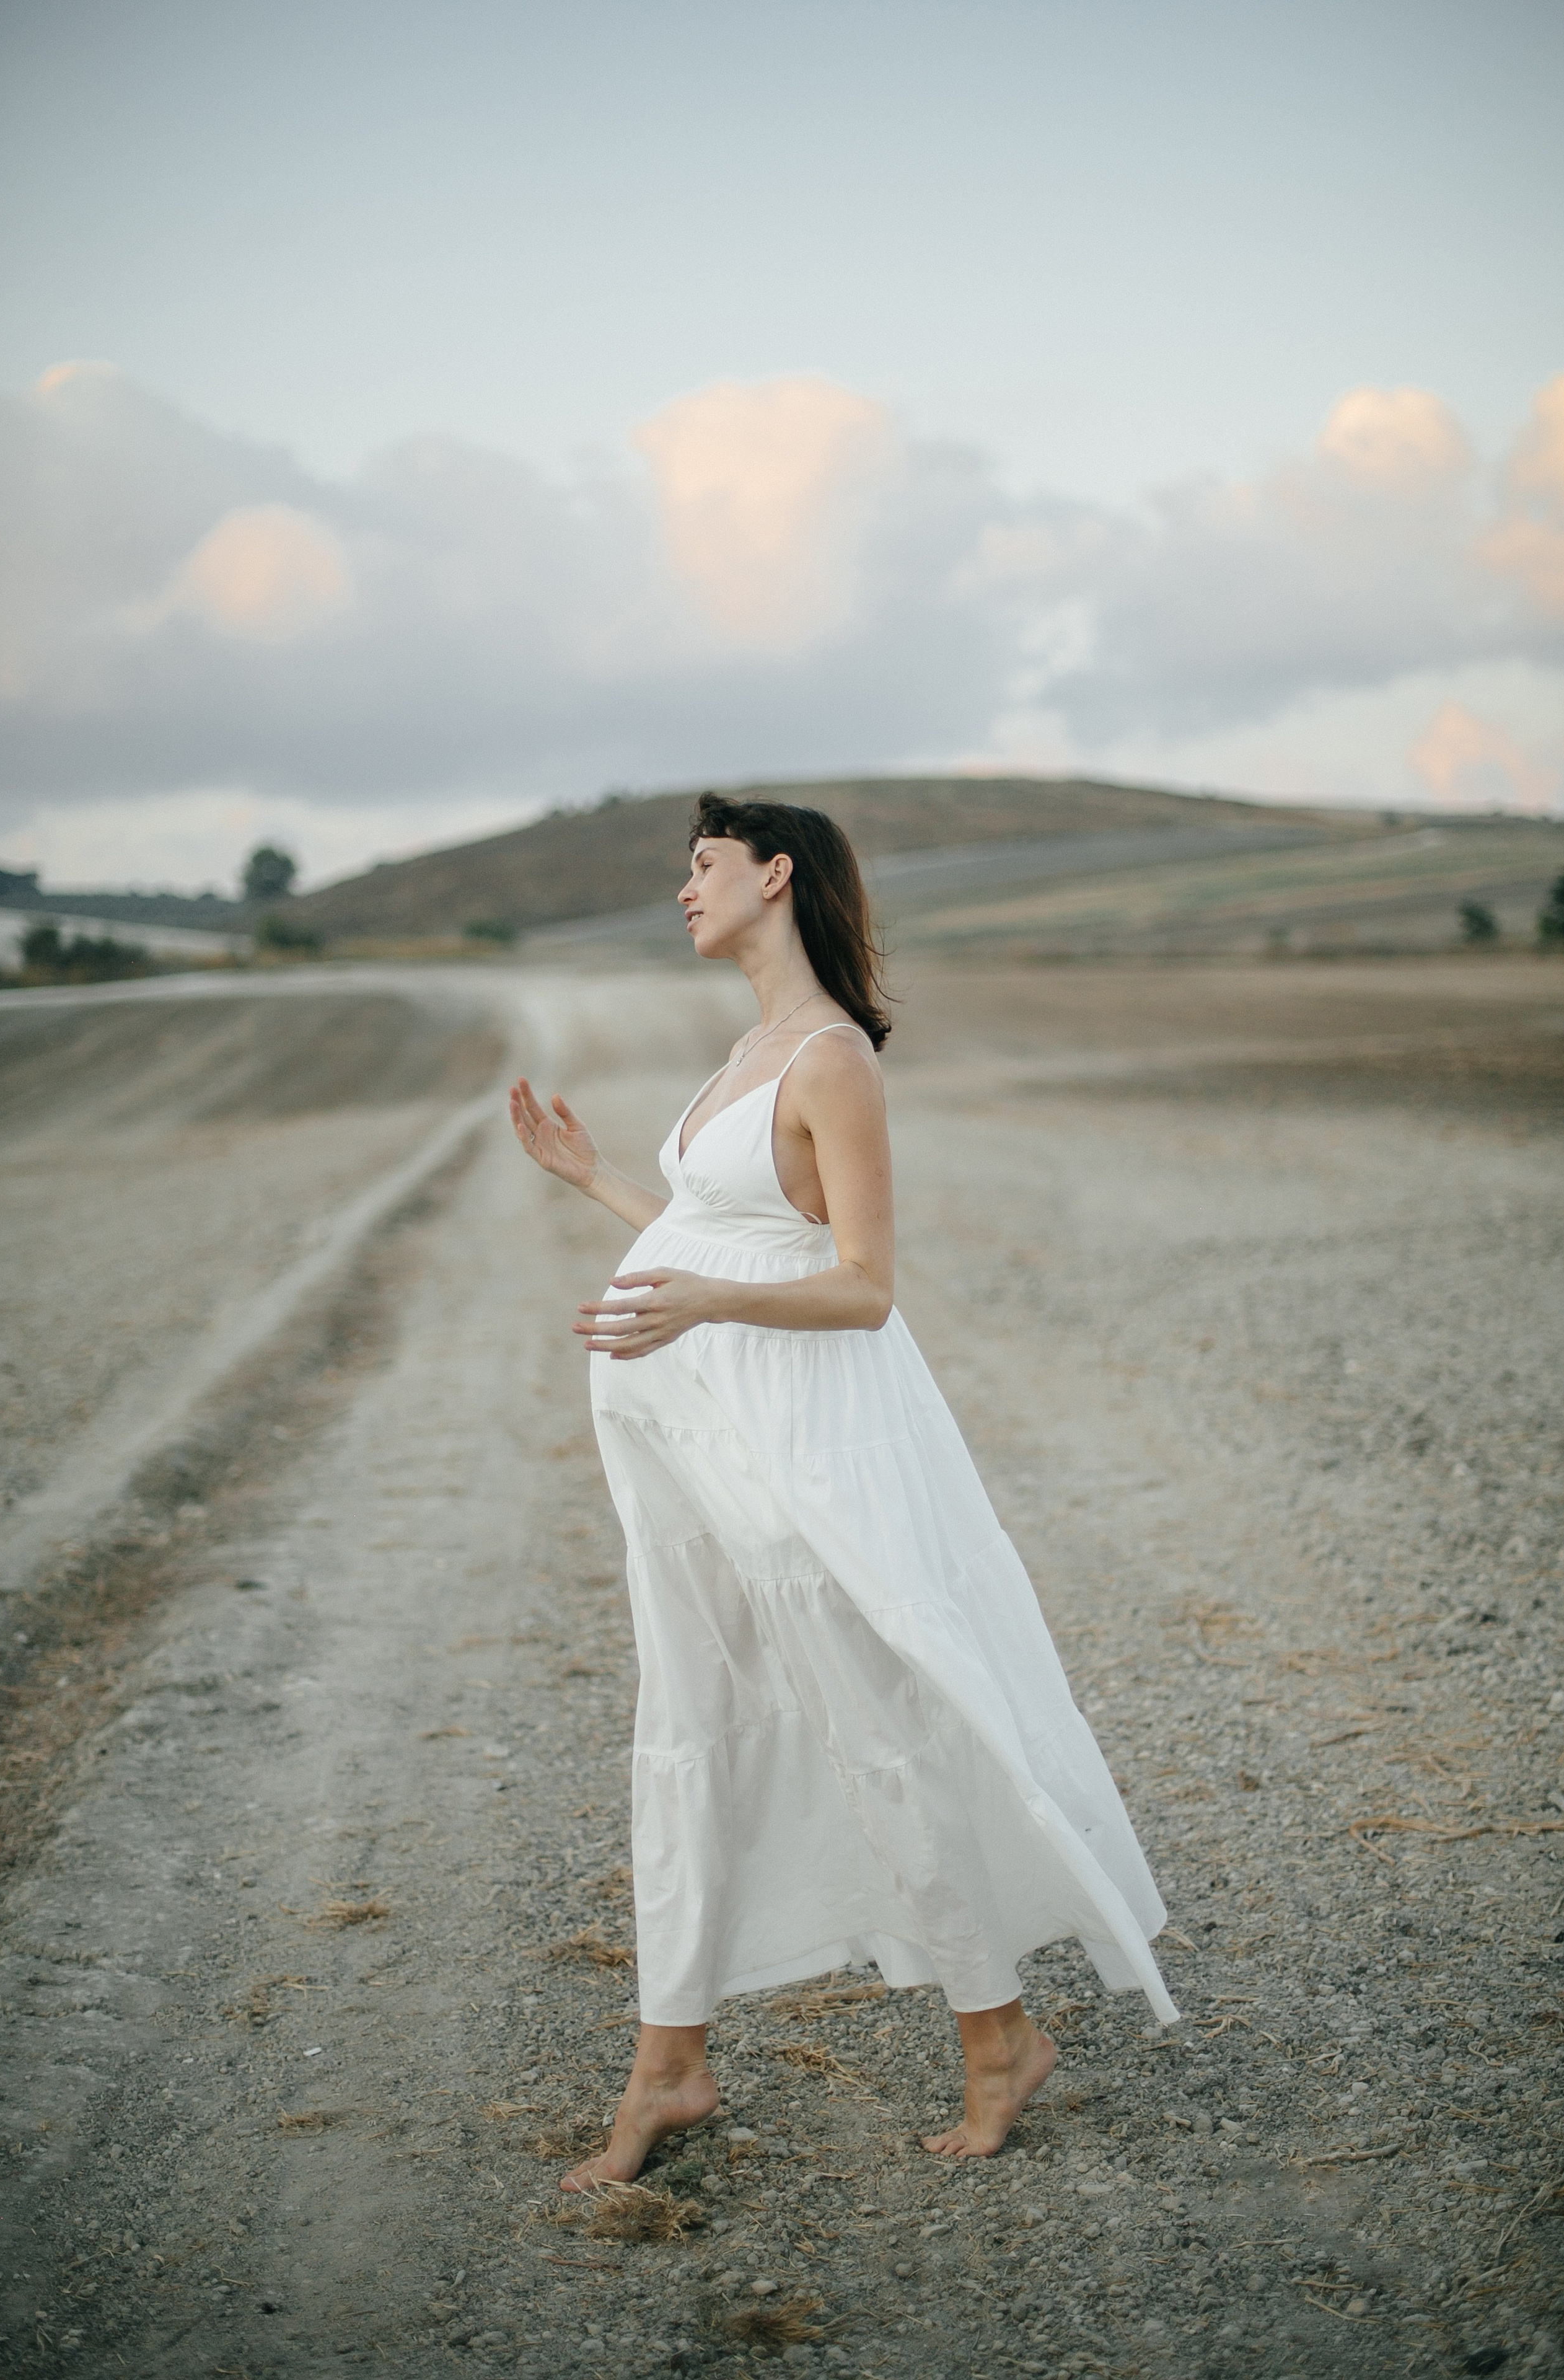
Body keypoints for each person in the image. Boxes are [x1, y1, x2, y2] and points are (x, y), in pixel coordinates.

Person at [508, 794, 1176, 2186]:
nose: (682, 889)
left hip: (803, 1451)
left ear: (775, 875)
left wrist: (688, 1303)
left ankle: (997, 2038)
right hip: (693, 1450)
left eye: (701, 866)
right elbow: (726, 1239)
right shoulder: (742, 1052)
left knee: (873, 1724)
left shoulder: (829, 1061)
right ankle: (669, 2064)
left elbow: (864, 1288)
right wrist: (598, 1186)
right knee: (688, 1725)